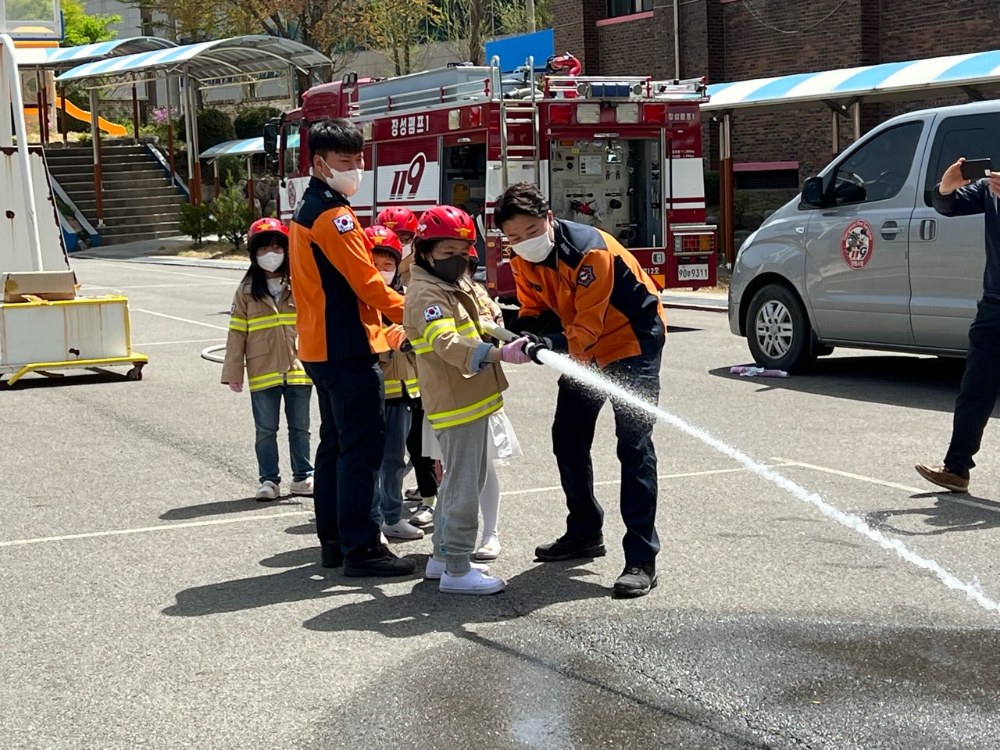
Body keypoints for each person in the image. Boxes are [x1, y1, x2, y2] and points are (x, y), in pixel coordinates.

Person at [494, 182, 666, 598]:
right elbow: (536, 311)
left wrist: (546, 345)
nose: (524, 243)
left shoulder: (591, 252)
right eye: (514, 238)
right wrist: (516, 331)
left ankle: (641, 558)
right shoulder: (521, 259)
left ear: (550, 219)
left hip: (631, 344)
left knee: (633, 446)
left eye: (532, 231)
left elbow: (588, 325)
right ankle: (585, 529)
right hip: (582, 351)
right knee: (568, 439)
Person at [289, 118, 415, 577]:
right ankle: (363, 548)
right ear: (319, 163)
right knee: (363, 450)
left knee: (336, 446)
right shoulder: (333, 216)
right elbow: (369, 285)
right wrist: (418, 311)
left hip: (321, 347)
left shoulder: (309, 208)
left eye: (360, 159)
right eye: (346, 162)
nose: (357, 168)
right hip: (348, 346)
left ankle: (336, 540)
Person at [403, 205, 531, 594]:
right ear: (425, 252)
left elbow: (474, 324)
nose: (457, 261)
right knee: (462, 485)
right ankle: (458, 569)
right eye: (447, 254)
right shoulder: (427, 293)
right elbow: (446, 341)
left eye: (464, 253)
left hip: (470, 396)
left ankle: (441, 557)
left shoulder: (449, 286)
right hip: (458, 401)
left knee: (462, 481)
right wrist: (496, 354)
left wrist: (507, 334)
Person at [916, 159, 1000, 494]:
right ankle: (956, 468)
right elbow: (946, 206)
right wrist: (946, 186)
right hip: (994, 303)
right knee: (975, 387)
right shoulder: (990, 187)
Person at [222, 218, 314, 502]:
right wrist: (234, 372)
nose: (271, 254)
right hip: (263, 372)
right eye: (263, 249)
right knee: (265, 430)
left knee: (301, 428)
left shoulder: (300, 282)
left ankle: (303, 477)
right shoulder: (247, 289)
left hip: (299, 369)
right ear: (253, 254)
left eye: (277, 247)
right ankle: (269, 480)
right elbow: (237, 334)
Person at [377, 205, 439, 523]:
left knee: (422, 444)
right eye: (394, 235)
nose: (398, 242)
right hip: (388, 383)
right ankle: (388, 506)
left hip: (417, 378)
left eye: (404, 236)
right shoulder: (370, 279)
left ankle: (429, 496)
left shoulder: (422, 273)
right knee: (389, 453)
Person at [365, 224, 425, 541]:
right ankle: (372, 521)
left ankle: (392, 516)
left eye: (388, 265)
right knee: (371, 461)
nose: (382, 271)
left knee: (394, 460)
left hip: (403, 393)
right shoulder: (359, 303)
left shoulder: (404, 299)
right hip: (372, 393)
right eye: (375, 265)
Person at [376, 206, 418, 284]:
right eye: (387, 240)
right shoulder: (367, 267)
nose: (395, 246)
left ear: (414, 239)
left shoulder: (422, 274)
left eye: (402, 239)